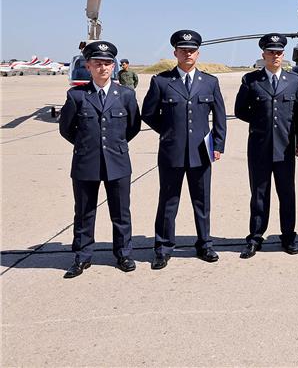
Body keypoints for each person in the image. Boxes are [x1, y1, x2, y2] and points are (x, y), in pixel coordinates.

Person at [141, 30, 227, 269]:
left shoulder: (210, 82)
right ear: (175, 53)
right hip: (172, 152)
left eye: (192, 50)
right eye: (183, 50)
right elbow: (148, 113)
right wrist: (168, 132)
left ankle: (205, 244)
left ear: (198, 53)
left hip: (201, 153)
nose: (187, 54)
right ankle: (163, 247)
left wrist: (218, 145)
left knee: (202, 201)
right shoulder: (161, 81)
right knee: (169, 201)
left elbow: (220, 116)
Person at [58, 41, 141, 278]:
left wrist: (115, 146)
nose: (102, 68)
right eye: (97, 64)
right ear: (88, 66)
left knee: (121, 212)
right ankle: (83, 256)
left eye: (107, 63)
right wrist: (86, 146)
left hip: (118, 162)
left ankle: (124, 253)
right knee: (84, 212)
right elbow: (67, 129)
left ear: (113, 66)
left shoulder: (125, 95)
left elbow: (133, 127)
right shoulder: (77, 95)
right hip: (86, 162)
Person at [235, 34, 298, 258]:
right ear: (263, 54)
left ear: (283, 55)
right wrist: (259, 123)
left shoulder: (293, 81)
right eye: (270, 52)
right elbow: (240, 110)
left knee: (287, 194)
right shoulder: (251, 80)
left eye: (278, 52)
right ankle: (255, 237)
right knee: (259, 195)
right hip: (259, 147)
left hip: (285, 148)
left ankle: (288, 237)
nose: (275, 56)